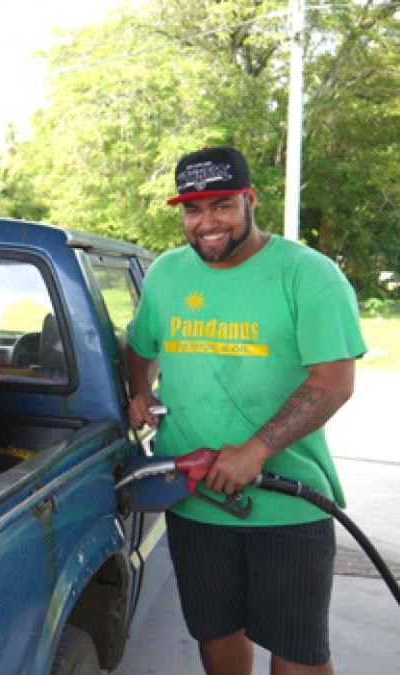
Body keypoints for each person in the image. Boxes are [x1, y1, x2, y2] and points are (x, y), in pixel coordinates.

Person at [126, 146, 367, 675]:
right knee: (215, 633)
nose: (206, 223)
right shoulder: (167, 273)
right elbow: (139, 347)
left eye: (222, 206)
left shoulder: (308, 274)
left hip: (288, 506)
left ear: (250, 199)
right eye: (193, 210)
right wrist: (138, 389)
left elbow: (334, 379)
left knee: (298, 651)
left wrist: (257, 450)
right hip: (195, 500)